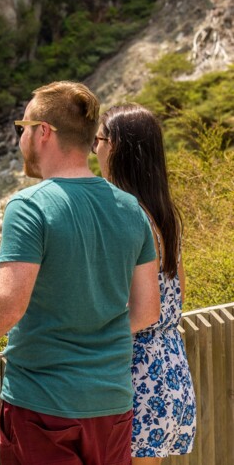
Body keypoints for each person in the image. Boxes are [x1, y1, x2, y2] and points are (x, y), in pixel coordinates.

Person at [0, 81, 161, 465]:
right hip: (112, 405)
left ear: (43, 133)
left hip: (44, 405)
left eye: (22, 127)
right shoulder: (129, 208)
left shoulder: (30, 206)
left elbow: (8, 304)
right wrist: (94, 336)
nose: (19, 137)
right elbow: (147, 312)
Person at [94, 104, 196, 464]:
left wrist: (89, 337)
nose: (94, 149)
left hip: (137, 371)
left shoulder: (127, 214)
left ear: (118, 147)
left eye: (99, 139)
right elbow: (178, 293)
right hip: (169, 364)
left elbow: (143, 312)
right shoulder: (162, 213)